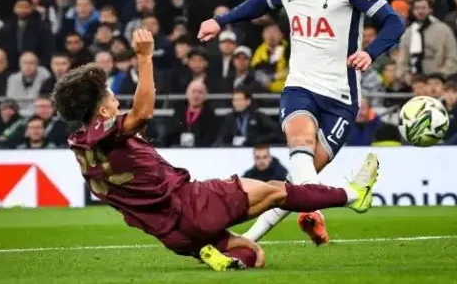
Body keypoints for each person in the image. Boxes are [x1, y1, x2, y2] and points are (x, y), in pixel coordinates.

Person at [53, 29, 380, 271]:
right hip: (191, 204)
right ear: (103, 112)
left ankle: (217, 257)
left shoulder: (81, 148)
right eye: (110, 97)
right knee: (278, 191)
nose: (115, 99)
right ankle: (353, 194)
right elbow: (143, 114)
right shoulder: (105, 133)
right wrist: (144, 57)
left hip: (173, 235)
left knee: (254, 255)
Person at [198, 0, 404, 245]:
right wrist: (220, 21)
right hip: (300, 87)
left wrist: (370, 52)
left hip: (340, 97)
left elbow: (394, 21)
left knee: (297, 184)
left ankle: (256, 236)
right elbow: (259, 4)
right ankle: (319, 211)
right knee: (300, 140)